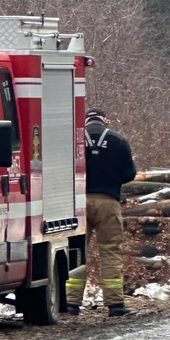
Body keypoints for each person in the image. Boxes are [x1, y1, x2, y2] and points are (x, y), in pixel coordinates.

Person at [66, 108, 138, 317]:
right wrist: (111, 180)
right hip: (108, 202)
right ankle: (115, 305)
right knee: (111, 251)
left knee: (77, 253)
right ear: (105, 121)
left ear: (85, 120)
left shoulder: (75, 140)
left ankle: (71, 303)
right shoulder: (118, 141)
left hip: (78, 204)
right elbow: (129, 174)